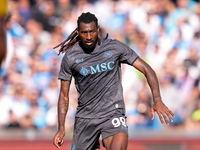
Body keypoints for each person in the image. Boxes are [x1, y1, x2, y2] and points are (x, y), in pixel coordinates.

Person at [53, 12, 175, 150]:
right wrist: (61, 128)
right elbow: (64, 95)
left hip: (113, 113)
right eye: (84, 32)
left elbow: (147, 69)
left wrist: (157, 99)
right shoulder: (70, 57)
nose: (88, 37)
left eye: (92, 32)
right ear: (78, 32)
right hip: (86, 118)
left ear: (98, 29)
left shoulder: (115, 47)